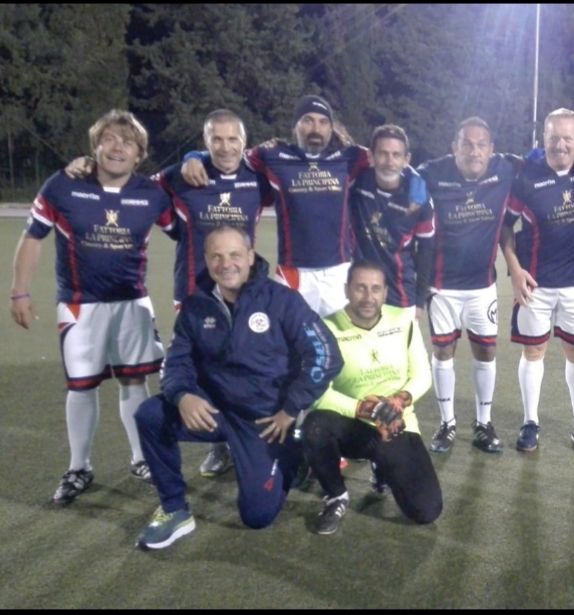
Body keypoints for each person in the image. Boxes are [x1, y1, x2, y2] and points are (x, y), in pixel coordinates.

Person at [64, 109, 275, 480]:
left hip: (246, 291)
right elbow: (129, 184)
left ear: (244, 142)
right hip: (194, 293)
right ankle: (219, 443)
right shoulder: (180, 176)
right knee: (204, 368)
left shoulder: (259, 178)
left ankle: (256, 440)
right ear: (205, 141)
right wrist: (89, 165)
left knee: (249, 364)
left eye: (233, 139)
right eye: (216, 139)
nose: (225, 147)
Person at [133, 225, 343, 549]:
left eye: (234, 254)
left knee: (257, 516)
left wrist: (291, 409)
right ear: (206, 260)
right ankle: (175, 509)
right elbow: (176, 362)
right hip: (214, 411)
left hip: (264, 422)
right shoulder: (196, 306)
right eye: (216, 256)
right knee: (150, 415)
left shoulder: (282, 300)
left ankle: (292, 454)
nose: (225, 263)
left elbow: (327, 356)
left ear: (250, 256)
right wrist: (183, 395)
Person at [10, 109, 174, 504]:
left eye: (128, 142)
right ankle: (79, 466)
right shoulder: (63, 185)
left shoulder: (153, 194)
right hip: (80, 306)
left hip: (132, 304)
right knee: (81, 387)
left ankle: (141, 458)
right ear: (95, 146)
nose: (118, 147)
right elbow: (33, 236)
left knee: (135, 381)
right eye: (110, 139)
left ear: (139, 154)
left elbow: (186, 233)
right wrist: (20, 291)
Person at [181, 95, 426, 318]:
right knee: (289, 342)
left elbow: (389, 160)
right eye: (308, 120)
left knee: (342, 342)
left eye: (323, 122)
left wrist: (416, 179)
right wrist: (193, 156)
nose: (316, 128)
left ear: (331, 127)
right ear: (296, 125)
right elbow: (229, 156)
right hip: (293, 272)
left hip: (339, 272)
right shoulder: (272, 155)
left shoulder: (350, 157)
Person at [299, 259, 441, 535]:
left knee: (426, 511)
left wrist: (398, 402)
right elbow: (318, 393)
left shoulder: (403, 321)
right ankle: (336, 496)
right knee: (315, 426)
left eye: (375, 289)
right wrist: (365, 409)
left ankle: (381, 465)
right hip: (352, 425)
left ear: (385, 292)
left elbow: (422, 374)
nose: (368, 297)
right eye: (360, 288)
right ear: (347, 290)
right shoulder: (325, 329)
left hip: (395, 424)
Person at [417, 117, 525, 454]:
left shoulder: (505, 169)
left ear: (491, 150)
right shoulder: (431, 173)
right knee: (443, 352)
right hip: (441, 286)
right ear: (454, 147)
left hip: (482, 286)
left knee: (486, 351)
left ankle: (483, 423)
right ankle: (447, 423)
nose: (474, 151)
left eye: (481, 145)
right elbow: (397, 175)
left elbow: (543, 159)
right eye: (467, 144)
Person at [500, 108, 574, 454]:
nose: (560, 144)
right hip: (534, 285)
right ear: (543, 139)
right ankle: (530, 422)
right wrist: (514, 270)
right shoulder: (526, 178)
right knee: (534, 352)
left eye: (568, 138)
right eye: (553, 137)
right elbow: (505, 227)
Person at [349, 124, 435, 317]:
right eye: (383, 154)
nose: (390, 162)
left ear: (406, 160)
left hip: (400, 292)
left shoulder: (419, 200)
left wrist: (420, 300)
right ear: (371, 156)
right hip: (360, 290)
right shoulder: (358, 182)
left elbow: (426, 249)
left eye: (396, 155)